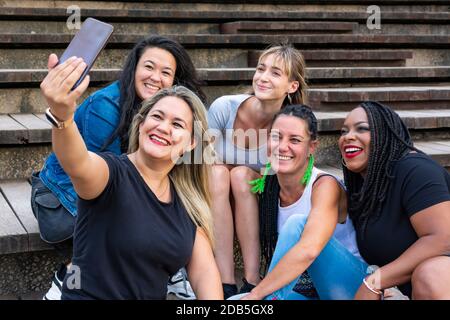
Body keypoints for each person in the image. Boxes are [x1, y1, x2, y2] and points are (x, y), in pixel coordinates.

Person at [30, 36, 204, 300]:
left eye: (166, 72)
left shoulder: (167, 113)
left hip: (109, 192)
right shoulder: (105, 108)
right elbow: (81, 165)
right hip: (61, 196)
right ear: (133, 69)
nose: (155, 77)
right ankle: (66, 279)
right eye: (149, 67)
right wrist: (61, 115)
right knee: (120, 217)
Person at [235, 104, 367, 300]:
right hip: (305, 290)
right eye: (276, 137)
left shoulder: (324, 186)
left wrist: (256, 294)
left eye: (294, 140)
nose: (282, 146)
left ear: (311, 147)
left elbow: (309, 249)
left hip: (349, 287)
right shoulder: (269, 188)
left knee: (297, 224)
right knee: (233, 302)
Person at [207, 44, 307, 298]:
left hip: (258, 199)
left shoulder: (292, 125)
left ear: (292, 86)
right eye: (261, 69)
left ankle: (252, 278)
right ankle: (225, 280)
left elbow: (297, 177)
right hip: (215, 192)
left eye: (275, 73)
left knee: (240, 175)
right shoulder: (225, 107)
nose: (263, 77)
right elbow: (200, 161)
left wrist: (244, 171)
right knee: (218, 173)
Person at [339, 101, 450, 299]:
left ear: (385, 134)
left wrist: (374, 281)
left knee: (431, 274)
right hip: (401, 290)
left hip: (440, 280)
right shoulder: (365, 187)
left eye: (362, 128)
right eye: (343, 131)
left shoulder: (416, 171)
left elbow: (443, 239)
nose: (348, 136)